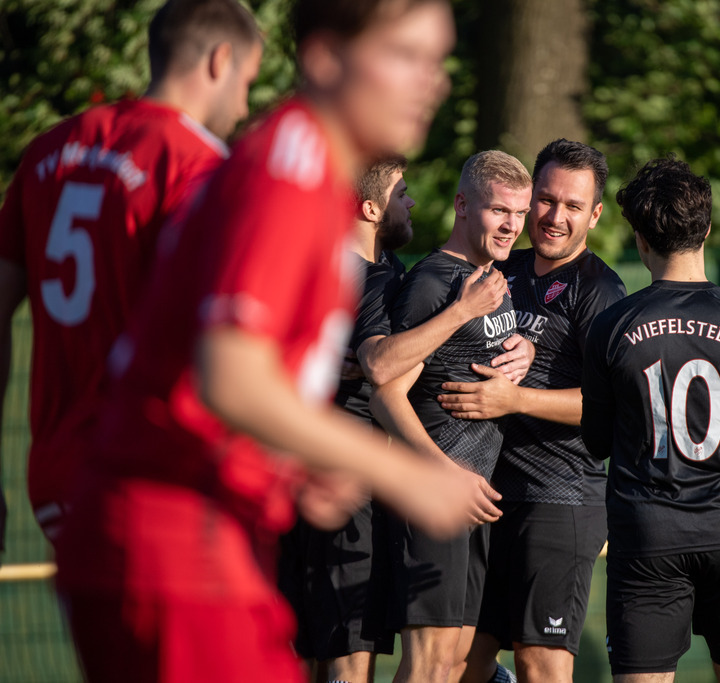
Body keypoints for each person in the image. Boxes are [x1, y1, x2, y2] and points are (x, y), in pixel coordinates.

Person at [54, 2, 493, 682]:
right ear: (323, 58)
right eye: (405, 55)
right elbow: (229, 375)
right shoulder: (289, 169)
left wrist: (291, 457)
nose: (431, 80)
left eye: (437, 59)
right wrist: (405, 472)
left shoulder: (303, 174)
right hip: (170, 537)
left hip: (198, 533)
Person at [0, 0, 263, 547]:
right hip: (149, 469)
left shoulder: (48, 152)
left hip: (55, 471)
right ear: (220, 60)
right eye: (248, 80)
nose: (243, 106)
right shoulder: (195, 163)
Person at [280, 156, 528, 683]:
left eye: (519, 212)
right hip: (342, 481)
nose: (411, 202)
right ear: (370, 207)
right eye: (402, 193)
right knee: (343, 657)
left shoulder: (383, 271)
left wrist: (524, 349)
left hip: (374, 478)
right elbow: (381, 371)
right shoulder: (372, 276)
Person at [580, 157, 720, 683]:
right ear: (706, 229)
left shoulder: (611, 327)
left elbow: (594, 442)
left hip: (646, 537)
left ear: (639, 237)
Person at [440, 139, 626, 683]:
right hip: (486, 495)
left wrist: (514, 398)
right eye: (546, 201)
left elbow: (610, 409)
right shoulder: (502, 269)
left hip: (559, 501)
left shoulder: (601, 292)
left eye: (572, 206)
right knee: (457, 664)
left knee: (539, 664)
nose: (554, 217)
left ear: (594, 215)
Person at [370, 150, 533, 683]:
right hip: (435, 492)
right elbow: (386, 394)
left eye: (520, 213)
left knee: (457, 665)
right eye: (498, 211)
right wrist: (442, 473)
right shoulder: (434, 281)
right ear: (463, 205)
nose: (512, 225)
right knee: (428, 666)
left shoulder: (489, 278)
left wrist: (523, 351)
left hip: (474, 497)